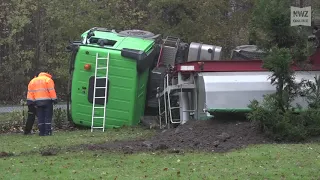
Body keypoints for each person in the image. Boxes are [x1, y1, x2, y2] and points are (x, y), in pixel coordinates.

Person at [28, 72, 58, 136]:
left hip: (37, 102)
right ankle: (48, 132)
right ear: (47, 74)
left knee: (40, 117)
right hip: (47, 101)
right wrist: (54, 99)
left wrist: (31, 102)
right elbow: (51, 91)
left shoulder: (33, 81)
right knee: (48, 117)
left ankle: (41, 132)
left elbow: (30, 93)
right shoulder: (48, 80)